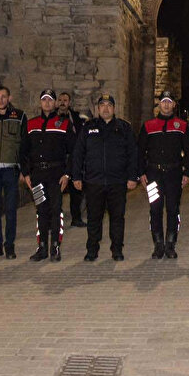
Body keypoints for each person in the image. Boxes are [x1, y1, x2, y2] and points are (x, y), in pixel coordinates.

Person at [71, 93, 138, 261]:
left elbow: (133, 154)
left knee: (117, 218)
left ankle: (117, 250)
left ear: (114, 108)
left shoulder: (124, 128)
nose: (105, 108)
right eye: (102, 105)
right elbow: (78, 153)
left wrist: (132, 177)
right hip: (94, 182)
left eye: (109, 105)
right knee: (94, 218)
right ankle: (92, 250)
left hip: (117, 182)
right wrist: (76, 176)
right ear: (98, 109)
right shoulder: (88, 127)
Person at [21, 89, 77, 262]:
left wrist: (67, 174)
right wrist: (26, 173)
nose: (47, 103)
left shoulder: (64, 124)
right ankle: (42, 247)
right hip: (37, 176)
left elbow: (74, 152)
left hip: (56, 175)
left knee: (56, 210)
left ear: (55, 103)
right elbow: (23, 151)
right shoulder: (31, 124)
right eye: (44, 99)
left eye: (50, 100)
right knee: (41, 211)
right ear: (40, 102)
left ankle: (55, 246)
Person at [137, 90, 189, 259]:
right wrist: (141, 173)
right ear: (159, 104)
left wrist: (187, 172)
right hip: (153, 174)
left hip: (174, 174)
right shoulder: (148, 126)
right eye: (163, 101)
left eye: (169, 102)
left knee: (173, 209)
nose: (166, 105)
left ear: (174, 104)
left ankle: (170, 244)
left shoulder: (182, 126)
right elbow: (140, 151)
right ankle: (158, 244)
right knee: (155, 209)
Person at [0, 86, 28, 260]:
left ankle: (9, 246)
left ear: (9, 98)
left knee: (10, 209)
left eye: (4, 96)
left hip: (11, 169)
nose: (1, 100)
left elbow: (24, 144)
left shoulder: (19, 116)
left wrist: (24, 170)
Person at [57, 91, 89, 228]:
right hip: (58, 158)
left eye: (65, 100)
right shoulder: (53, 118)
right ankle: (56, 219)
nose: (62, 102)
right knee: (57, 190)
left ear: (69, 102)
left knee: (76, 190)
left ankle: (76, 218)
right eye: (60, 100)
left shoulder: (76, 118)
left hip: (73, 157)